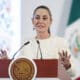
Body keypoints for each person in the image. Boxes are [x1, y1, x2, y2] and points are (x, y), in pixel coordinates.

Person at [0, 5, 76, 79]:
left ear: (50, 22)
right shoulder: (26, 43)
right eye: (37, 18)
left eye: (44, 18)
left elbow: (74, 72)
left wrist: (68, 65)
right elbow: (19, 67)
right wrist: (7, 62)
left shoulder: (60, 42)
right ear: (33, 21)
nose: (40, 21)